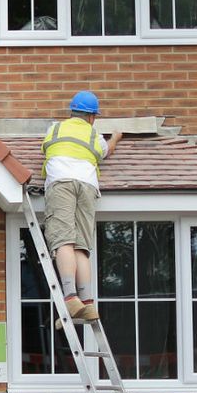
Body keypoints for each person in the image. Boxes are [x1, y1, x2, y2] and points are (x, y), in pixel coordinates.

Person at [42, 90, 122, 323]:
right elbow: (106, 151)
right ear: (92, 117)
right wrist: (115, 137)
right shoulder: (93, 134)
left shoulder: (55, 129)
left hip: (61, 182)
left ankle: (69, 297)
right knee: (81, 246)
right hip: (87, 185)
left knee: (63, 240)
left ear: (72, 112)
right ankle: (87, 303)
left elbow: (46, 149)